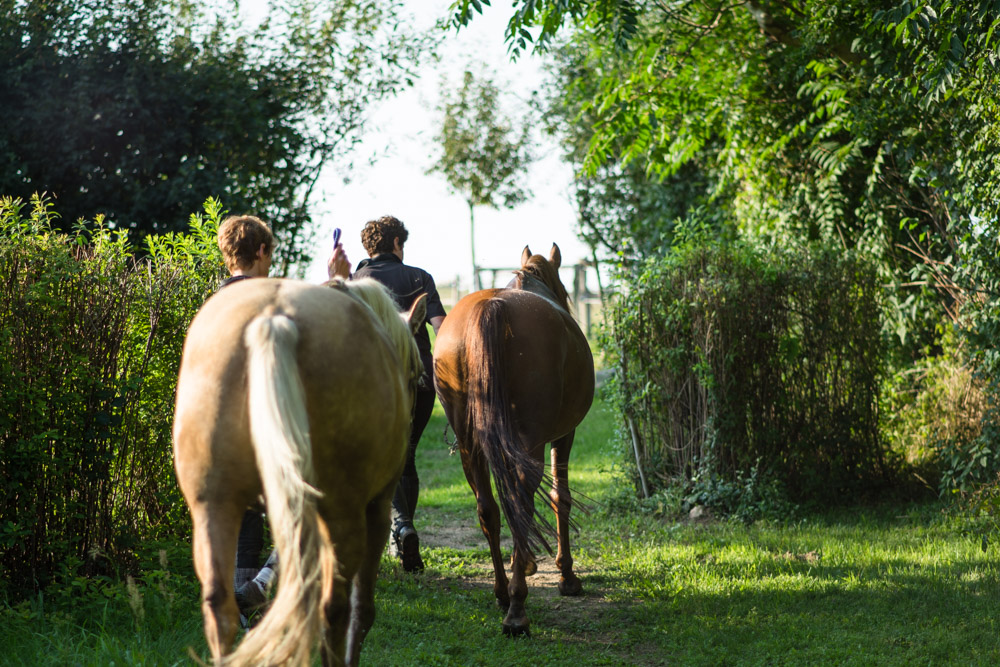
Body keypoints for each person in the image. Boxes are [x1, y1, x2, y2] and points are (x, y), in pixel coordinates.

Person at [215, 215, 350, 627]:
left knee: (244, 515)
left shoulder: (213, 306)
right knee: (316, 494)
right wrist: (336, 281)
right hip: (271, 420)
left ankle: (243, 608)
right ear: (262, 251)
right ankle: (266, 580)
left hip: (224, 428)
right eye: (269, 255)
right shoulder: (273, 295)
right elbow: (319, 327)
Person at [349, 215, 446, 573]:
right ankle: (403, 535)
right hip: (419, 379)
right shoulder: (420, 276)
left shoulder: (354, 281)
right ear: (396, 244)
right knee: (407, 455)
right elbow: (442, 330)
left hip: (373, 383)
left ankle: (401, 527)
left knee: (385, 458)